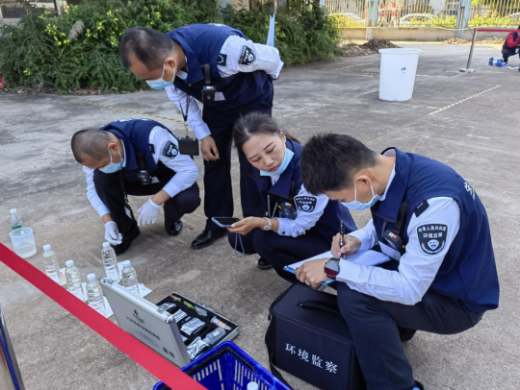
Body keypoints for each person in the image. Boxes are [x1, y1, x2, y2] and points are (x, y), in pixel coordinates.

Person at [296, 134, 500, 390]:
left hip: (456, 302)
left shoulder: (434, 206)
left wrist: (332, 268)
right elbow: (388, 219)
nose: (344, 204)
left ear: (363, 180)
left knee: (355, 295)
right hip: (434, 275)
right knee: (359, 277)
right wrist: (358, 240)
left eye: (342, 199)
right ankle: (395, 328)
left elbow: (409, 288)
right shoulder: (390, 167)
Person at [119, 24, 283, 250]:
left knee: (254, 165)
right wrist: (203, 135)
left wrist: (263, 87)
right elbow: (184, 103)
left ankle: (259, 231)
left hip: (252, 100)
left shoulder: (229, 51)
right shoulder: (168, 67)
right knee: (213, 158)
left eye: (148, 77)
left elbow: (273, 59)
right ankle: (217, 222)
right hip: (215, 105)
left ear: (169, 63)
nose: (148, 82)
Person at [226, 113, 356, 274]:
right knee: (239, 238)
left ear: (282, 135)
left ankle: (314, 278)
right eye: (255, 159)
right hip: (293, 222)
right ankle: (291, 257)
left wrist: (263, 223)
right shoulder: (259, 166)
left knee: (264, 240)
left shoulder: (311, 170)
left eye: (270, 149)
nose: (267, 162)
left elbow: (300, 225)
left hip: (330, 238)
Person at [71, 118, 201, 254]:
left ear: (113, 147)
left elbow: (190, 170)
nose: (102, 168)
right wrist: (108, 221)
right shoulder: (93, 152)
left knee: (188, 200)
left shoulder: (154, 135)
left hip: (166, 177)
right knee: (100, 178)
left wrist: (156, 202)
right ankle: (126, 229)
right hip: (131, 181)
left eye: (103, 165)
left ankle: (171, 218)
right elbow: (93, 191)